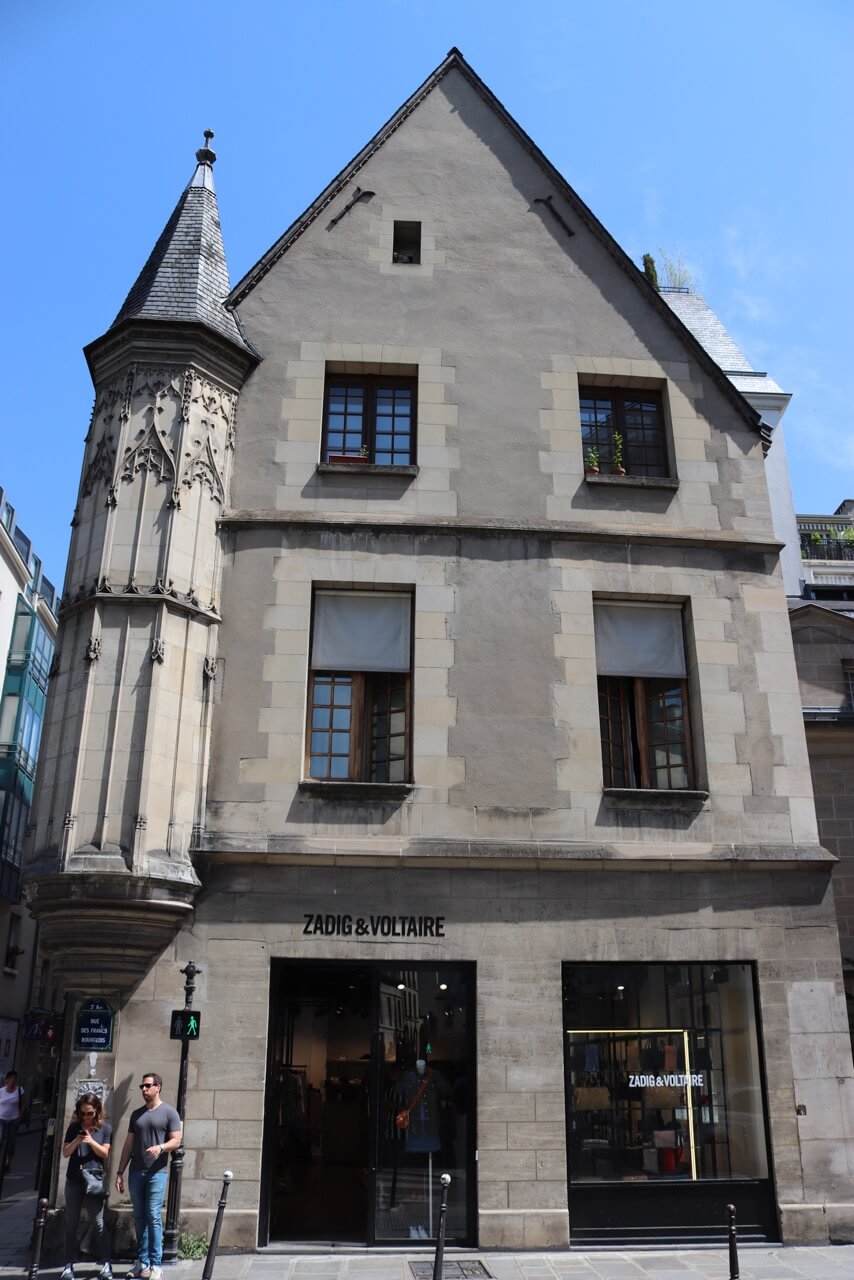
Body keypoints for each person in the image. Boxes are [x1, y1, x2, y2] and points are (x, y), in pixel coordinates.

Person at [115, 1072, 182, 1280]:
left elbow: (176, 1141)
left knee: (153, 1216)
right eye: (142, 1086)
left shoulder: (170, 1113)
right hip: (136, 1171)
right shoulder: (136, 1114)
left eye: (147, 1086)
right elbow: (128, 1145)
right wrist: (119, 1172)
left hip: (157, 1173)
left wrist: (161, 1147)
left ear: (158, 1087)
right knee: (139, 1217)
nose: (144, 1090)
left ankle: (156, 1264)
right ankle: (142, 1262)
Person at [61, 1092, 113, 1280]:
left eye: (89, 1113)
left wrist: (91, 1141)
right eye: (83, 1113)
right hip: (74, 1180)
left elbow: (105, 1153)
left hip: (94, 1181)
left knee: (98, 1223)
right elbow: (65, 1153)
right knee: (71, 1224)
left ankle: (106, 1264)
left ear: (97, 1111)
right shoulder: (74, 1128)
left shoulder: (105, 1129)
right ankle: (68, 1265)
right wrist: (77, 1140)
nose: (86, 1117)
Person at [0, 1070, 27, 1169]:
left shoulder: (20, 1090)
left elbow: (24, 1103)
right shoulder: (1, 1091)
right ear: (7, 1080)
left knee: (11, 1142)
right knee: (0, 1139)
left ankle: (7, 1164)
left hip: (13, 1119)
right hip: (1, 1119)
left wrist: (20, 1116)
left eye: (15, 1080)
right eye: (11, 1079)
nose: (13, 1081)